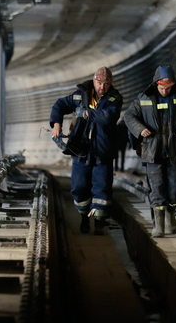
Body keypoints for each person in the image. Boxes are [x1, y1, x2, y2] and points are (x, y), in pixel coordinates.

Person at [124, 65, 176, 238]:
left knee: (174, 190)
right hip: (153, 151)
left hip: (174, 151)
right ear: (156, 84)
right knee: (157, 189)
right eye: (161, 88)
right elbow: (129, 116)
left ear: (173, 85)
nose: (165, 92)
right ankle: (159, 226)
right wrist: (140, 129)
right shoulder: (143, 98)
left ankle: (171, 218)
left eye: (168, 88)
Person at [50, 67, 123, 235]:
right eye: (99, 83)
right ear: (94, 81)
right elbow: (60, 105)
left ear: (110, 84)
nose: (102, 87)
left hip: (102, 152)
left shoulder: (115, 99)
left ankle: (99, 222)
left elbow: (107, 117)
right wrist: (56, 123)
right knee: (79, 187)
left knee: (102, 188)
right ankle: (84, 216)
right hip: (80, 151)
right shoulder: (80, 95)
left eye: (106, 84)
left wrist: (85, 113)